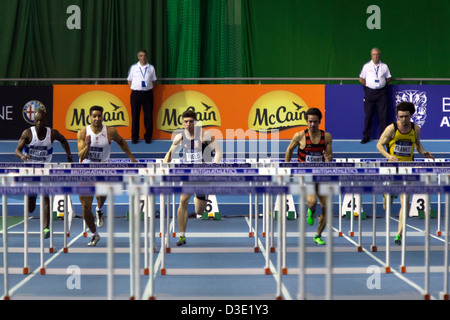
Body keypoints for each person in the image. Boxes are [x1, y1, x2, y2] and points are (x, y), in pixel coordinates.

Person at [77, 105, 137, 246]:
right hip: (86, 170)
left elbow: (122, 142)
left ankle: (99, 210)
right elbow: (80, 155)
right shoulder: (82, 132)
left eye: (99, 115)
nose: (97, 118)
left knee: (101, 196)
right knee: (85, 208)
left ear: (102, 117)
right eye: (94, 116)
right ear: (90, 117)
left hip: (104, 169)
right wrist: (88, 145)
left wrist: (132, 158)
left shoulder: (110, 131)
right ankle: (94, 234)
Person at [377, 101, 434, 245]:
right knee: (386, 206)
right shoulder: (391, 128)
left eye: (406, 117)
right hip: (391, 169)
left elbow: (417, 144)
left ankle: (399, 235)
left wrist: (423, 152)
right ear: (397, 115)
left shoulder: (416, 129)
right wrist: (389, 156)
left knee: (405, 202)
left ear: (411, 115)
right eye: (401, 116)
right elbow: (379, 145)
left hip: (407, 169)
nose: (403, 119)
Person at [163, 109, 223, 246]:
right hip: (188, 175)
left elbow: (218, 151)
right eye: (186, 122)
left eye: (191, 121)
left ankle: (199, 196)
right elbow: (169, 154)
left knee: (199, 211)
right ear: (182, 123)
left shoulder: (204, 135)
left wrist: (214, 167)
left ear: (195, 122)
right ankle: (182, 236)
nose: (189, 124)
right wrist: (163, 166)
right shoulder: (179, 137)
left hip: (203, 175)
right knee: (183, 201)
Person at [15, 109, 73, 239]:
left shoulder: (52, 133)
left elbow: (64, 141)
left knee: (46, 196)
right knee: (31, 205)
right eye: (37, 120)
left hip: (46, 169)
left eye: (42, 120)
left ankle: (46, 228)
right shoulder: (28, 133)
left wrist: (69, 156)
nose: (40, 123)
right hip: (30, 170)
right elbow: (17, 150)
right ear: (34, 121)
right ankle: (32, 197)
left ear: (45, 121)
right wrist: (23, 156)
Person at [285, 108, 333, 245]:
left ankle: (318, 235)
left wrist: (328, 158)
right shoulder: (300, 136)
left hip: (321, 175)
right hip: (305, 176)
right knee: (313, 202)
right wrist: (288, 168)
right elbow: (289, 150)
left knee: (326, 208)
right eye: (310, 122)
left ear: (319, 122)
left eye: (315, 122)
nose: (312, 124)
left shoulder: (327, 137)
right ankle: (311, 210)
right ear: (306, 121)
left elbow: (330, 158)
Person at [359, 47, 392, 144]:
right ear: (371, 56)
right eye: (374, 54)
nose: (376, 56)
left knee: (383, 115)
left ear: (380, 56)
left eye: (377, 55)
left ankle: (384, 137)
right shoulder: (366, 66)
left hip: (381, 93)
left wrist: (380, 85)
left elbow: (388, 79)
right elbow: (361, 79)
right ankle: (366, 136)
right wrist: (369, 86)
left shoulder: (384, 66)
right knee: (368, 115)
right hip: (370, 92)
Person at [127, 49, 157, 144]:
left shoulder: (151, 68)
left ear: (146, 56)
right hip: (136, 94)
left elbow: (153, 81)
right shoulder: (133, 68)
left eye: (144, 55)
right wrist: (136, 88)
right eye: (141, 55)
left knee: (148, 116)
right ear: (138, 57)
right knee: (135, 116)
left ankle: (148, 137)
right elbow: (129, 80)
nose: (143, 57)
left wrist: (147, 88)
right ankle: (134, 137)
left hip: (148, 94)